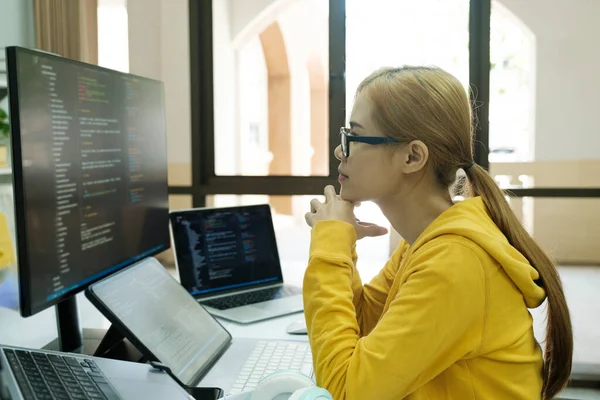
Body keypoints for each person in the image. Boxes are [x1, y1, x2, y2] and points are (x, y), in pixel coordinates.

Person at [303, 66, 573, 400]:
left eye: (353, 138)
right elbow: (365, 326)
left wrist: (328, 248)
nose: (339, 151)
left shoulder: (456, 261)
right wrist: (341, 248)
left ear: (412, 156)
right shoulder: (426, 238)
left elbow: (343, 392)